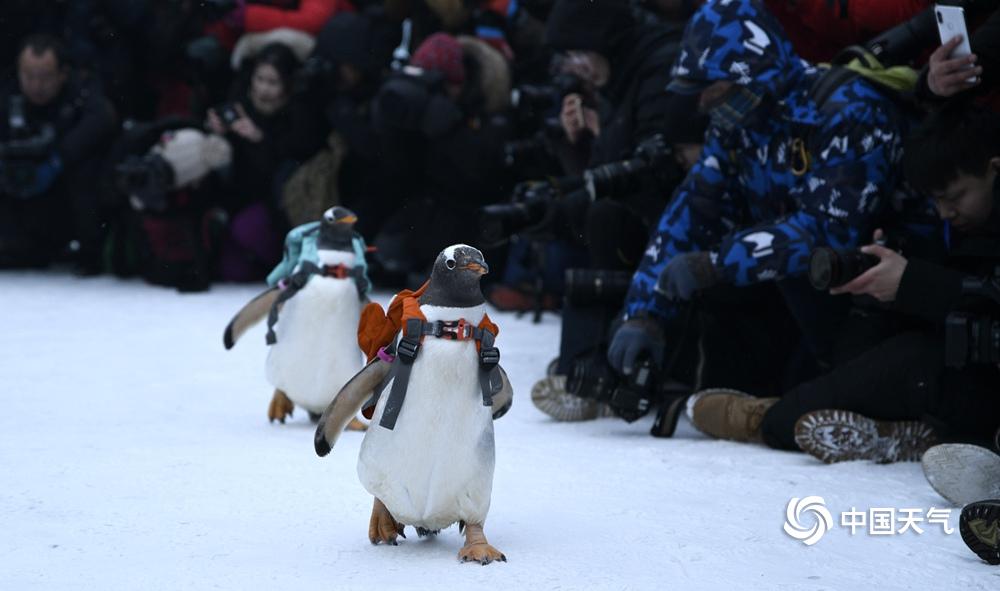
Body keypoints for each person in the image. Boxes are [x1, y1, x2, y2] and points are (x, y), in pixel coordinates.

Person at [606, 0, 917, 413]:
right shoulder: (737, 126)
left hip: (888, 298)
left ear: (754, 73)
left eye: (713, 86)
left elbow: (829, 230)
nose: (704, 101)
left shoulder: (850, 110)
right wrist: (644, 312)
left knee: (816, 404)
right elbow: (692, 210)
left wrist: (716, 263)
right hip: (801, 296)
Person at [691, 102, 1000, 465]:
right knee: (869, 324)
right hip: (966, 370)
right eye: (936, 201)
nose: (945, 212)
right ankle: (898, 429)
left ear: (994, 169)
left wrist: (913, 281)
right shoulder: (970, 222)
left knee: (913, 358)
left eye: (955, 197)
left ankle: (768, 420)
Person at [206, 42, 323, 282]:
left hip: (279, 207)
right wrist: (217, 132)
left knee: (246, 230)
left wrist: (260, 139)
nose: (264, 89)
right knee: (232, 270)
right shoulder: (240, 104)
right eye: (259, 79)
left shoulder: (298, 113)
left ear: (287, 84)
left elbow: (290, 166)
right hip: (239, 199)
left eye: (273, 82)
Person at [0, 34, 117, 273]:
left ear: (63, 74)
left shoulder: (80, 95)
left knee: (87, 169)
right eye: (29, 76)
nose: (36, 85)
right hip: (15, 197)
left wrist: (58, 159)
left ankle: (91, 252)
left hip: (65, 197)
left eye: (45, 77)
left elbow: (103, 118)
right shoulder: (7, 94)